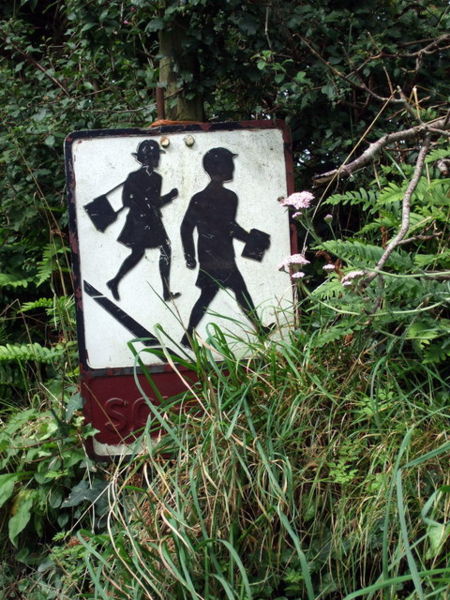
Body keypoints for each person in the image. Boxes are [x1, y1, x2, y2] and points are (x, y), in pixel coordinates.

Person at [180, 147, 270, 346]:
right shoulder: (216, 198)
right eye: (229, 164)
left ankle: (188, 335)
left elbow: (228, 226)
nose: (232, 168)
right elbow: (188, 228)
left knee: (213, 294)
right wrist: (189, 256)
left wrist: (249, 238)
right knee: (233, 291)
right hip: (216, 256)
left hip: (216, 254)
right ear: (218, 167)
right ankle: (259, 329)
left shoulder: (221, 197)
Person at [107, 139, 180, 302]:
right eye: (154, 156)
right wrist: (143, 203)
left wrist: (168, 197)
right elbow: (126, 200)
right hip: (138, 221)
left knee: (165, 249)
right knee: (139, 253)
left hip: (153, 220)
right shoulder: (133, 177)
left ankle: (166, 292)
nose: (156, 160)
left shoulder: (157, 178)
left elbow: (156, 202)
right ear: (149, 158)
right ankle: (115, 281)